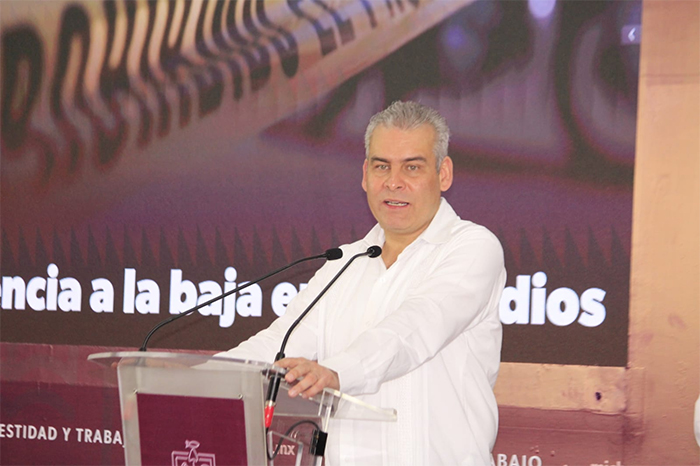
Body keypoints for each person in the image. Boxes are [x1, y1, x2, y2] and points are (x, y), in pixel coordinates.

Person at [220, 101, 506, 465]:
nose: (393, 182)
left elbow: (414, 328)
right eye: (381, 166)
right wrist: (185, 386)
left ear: (444, 173)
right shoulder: (345, 262)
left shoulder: (473, 248)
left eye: (412, 167)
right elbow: (277, 345)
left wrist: (338, 372)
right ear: (365, 175)